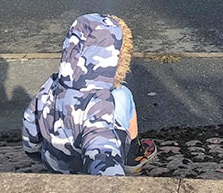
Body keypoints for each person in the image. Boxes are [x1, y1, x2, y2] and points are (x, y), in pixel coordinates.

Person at [22, 13, 157, 175]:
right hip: (84, 172)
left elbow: (30, 132)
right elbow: (103, 155)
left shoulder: (51, 85)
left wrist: (40, 155)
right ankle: (132, 156)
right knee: (123, 95)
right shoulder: (99, 110)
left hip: (54, 162)